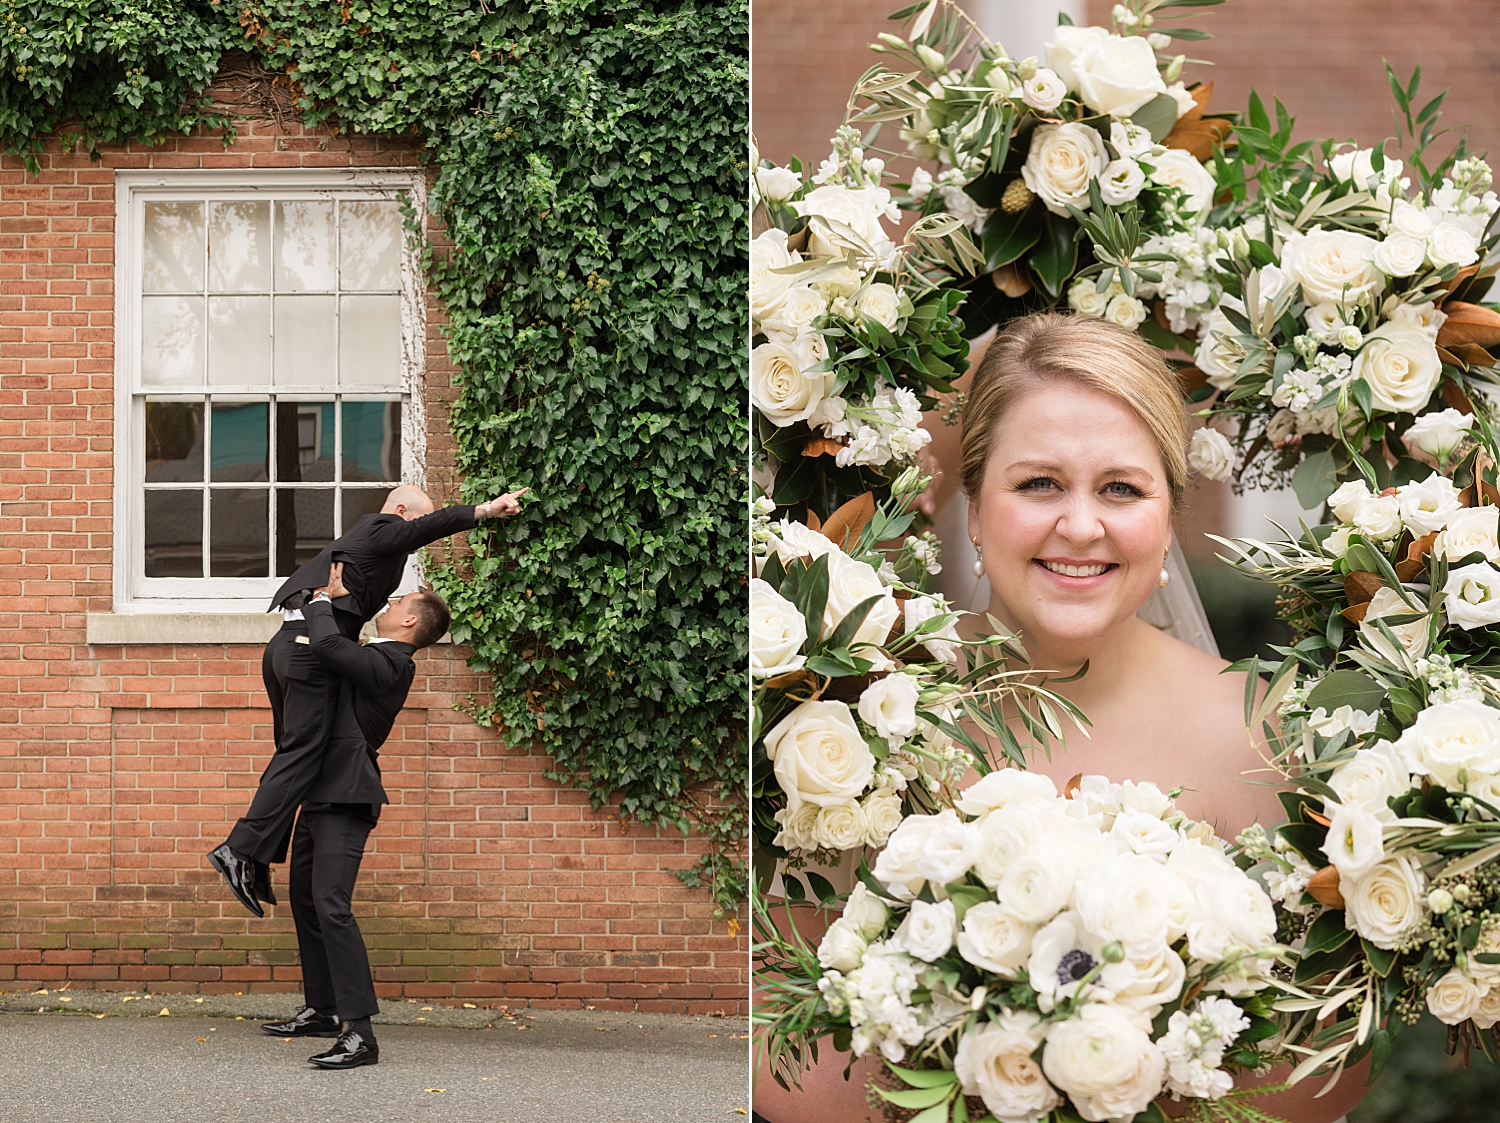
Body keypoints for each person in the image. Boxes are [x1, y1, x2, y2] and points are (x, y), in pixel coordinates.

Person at [754, 313, 1364, 1123]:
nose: (1081, 525)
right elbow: (774, 1040)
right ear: (973, 509)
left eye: (1121, 488)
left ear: (1169, 512)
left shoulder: (1264, 728)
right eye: (1039, 483)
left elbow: (1331, 1065)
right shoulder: (852, 727)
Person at [209, 484, 527, 914]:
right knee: (302, 753)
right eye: (413, 523)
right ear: (400, 512)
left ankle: (255, 855)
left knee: (295, 757)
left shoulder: (368, 550)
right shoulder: (380, 529)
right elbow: (426, 529)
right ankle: (239, 851)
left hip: (288, 647)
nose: (413, 536)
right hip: (307, 654)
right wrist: (485, 510)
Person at [258, 562, 450, 1069]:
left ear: (411, 624)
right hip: (318, 792)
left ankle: (360, 1034)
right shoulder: (371, 655)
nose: (388, 606)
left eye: (397, 605)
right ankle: (322, 1009)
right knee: (306, 898)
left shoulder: (394, 666)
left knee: (332, 904)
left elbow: (326, 645)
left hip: (347, 797)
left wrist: (322, 601)